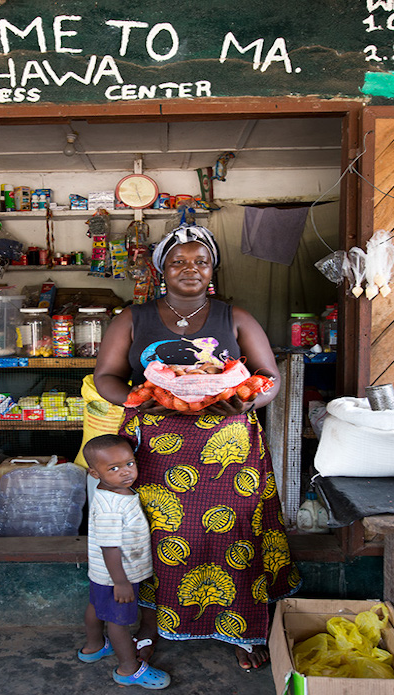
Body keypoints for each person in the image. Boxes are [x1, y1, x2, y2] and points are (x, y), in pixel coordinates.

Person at [93, 222, 300, 670]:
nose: (191, 269)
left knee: (234, 533)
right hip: (155, 451)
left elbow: (270, 377)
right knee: (157, 534)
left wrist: (246, 403)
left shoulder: (235, 317)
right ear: (161, 269)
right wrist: (143, 395)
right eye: (179, 262)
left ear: (213, 269)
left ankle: (247, 629)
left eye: (201, 261)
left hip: (228, 452)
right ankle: (150, 627)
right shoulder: (132, 319)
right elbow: (105, 376)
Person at [77, 434, 171, 690]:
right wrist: (121, 582)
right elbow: (110, 547)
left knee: (97, 606)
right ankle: (128, 669)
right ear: (95, 473)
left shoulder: (115, 491)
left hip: (101, 574)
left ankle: (93, 646)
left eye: (129, 463)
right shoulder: (111, 506)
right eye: (114, 468)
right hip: (118, 574)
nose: (126, 472)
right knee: (119, 622)